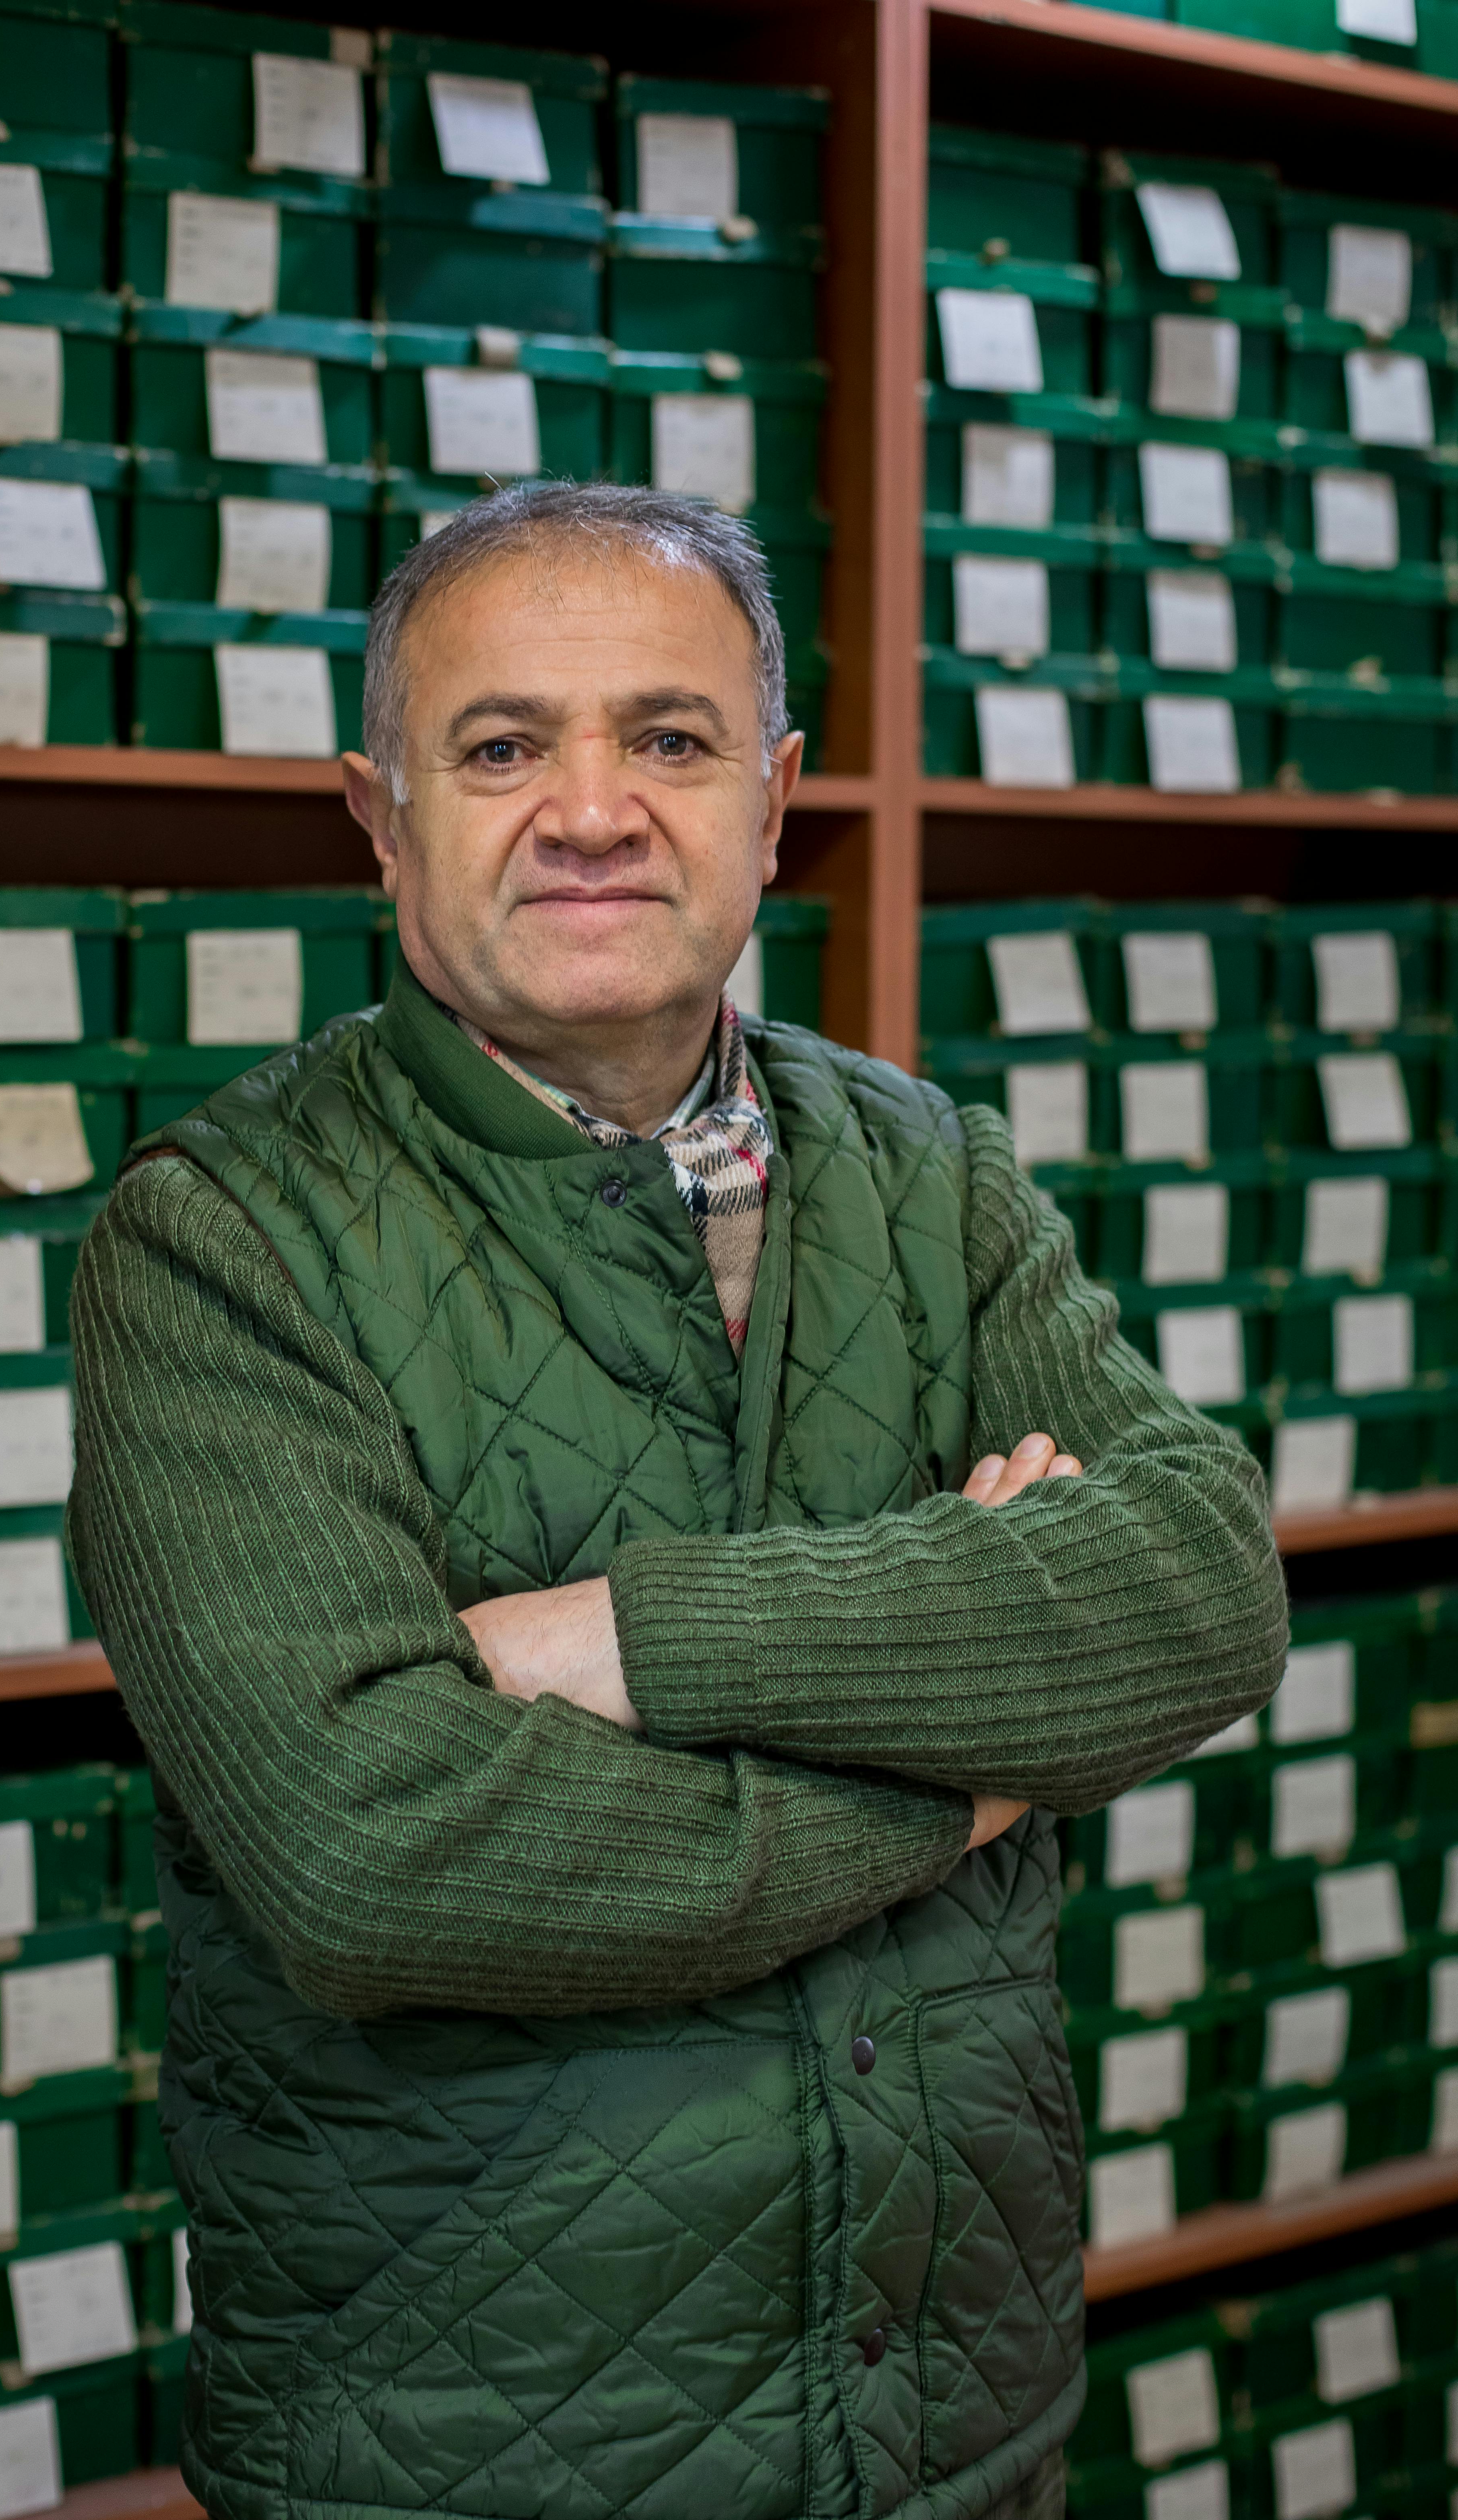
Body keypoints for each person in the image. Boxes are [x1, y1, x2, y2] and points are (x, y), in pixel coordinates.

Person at [67, 481, 1286, 2520]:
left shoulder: (925, 1166)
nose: (594, 808)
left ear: (778, 795)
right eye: (500, 745)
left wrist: (626, 1640)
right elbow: (374, 1854)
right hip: (466, 2454)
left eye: (669, 736)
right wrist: (972, 1770)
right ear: (376, 816)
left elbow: (1199, 1588)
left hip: (958, 2427)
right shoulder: (219, 1243)